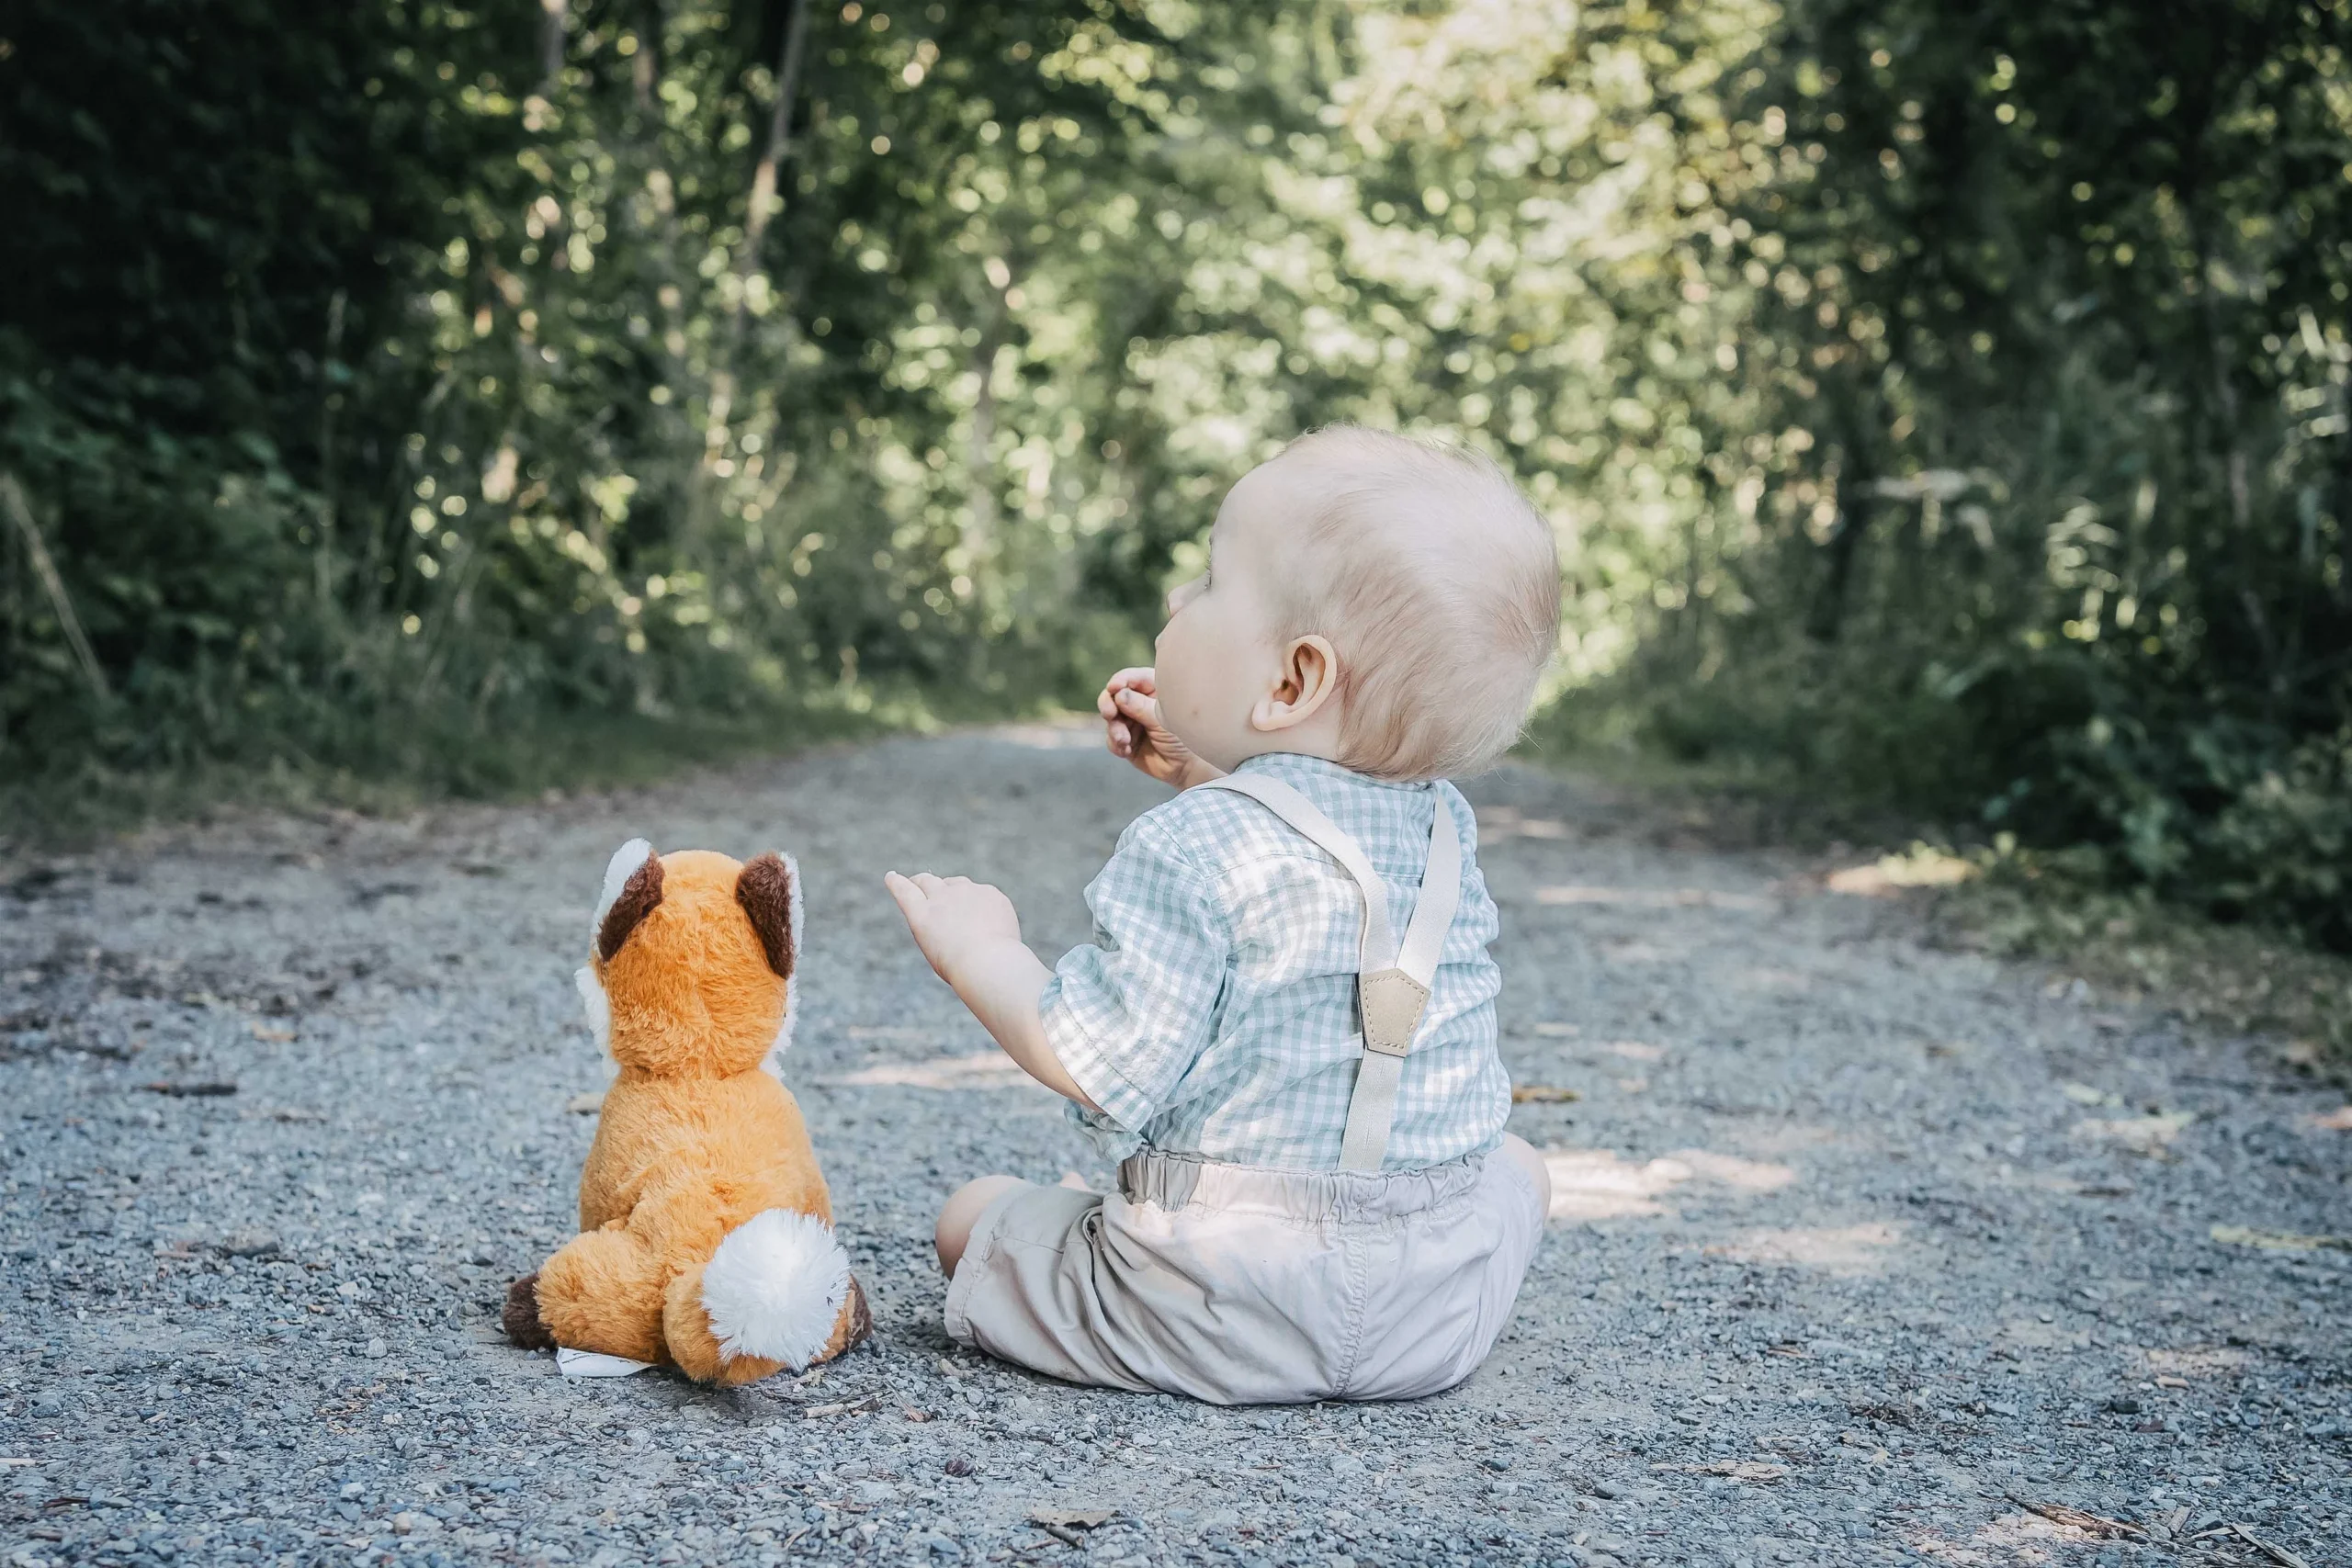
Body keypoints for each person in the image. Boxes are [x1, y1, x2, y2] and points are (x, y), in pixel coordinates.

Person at [885, 424, 1559, 1404]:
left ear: (1291, 682)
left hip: (1213, 1303)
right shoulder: (1443, 826)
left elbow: (1091, 1056)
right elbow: (1308, 852)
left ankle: (1138, 1310)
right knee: (1520, 1166)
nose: (1176, 600)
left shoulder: (1193, 848)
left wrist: (981, 951)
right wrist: (1205, 769)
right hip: (1430, 1316)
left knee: (972, 1218)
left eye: (1206, 580)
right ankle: (1396, 1322)